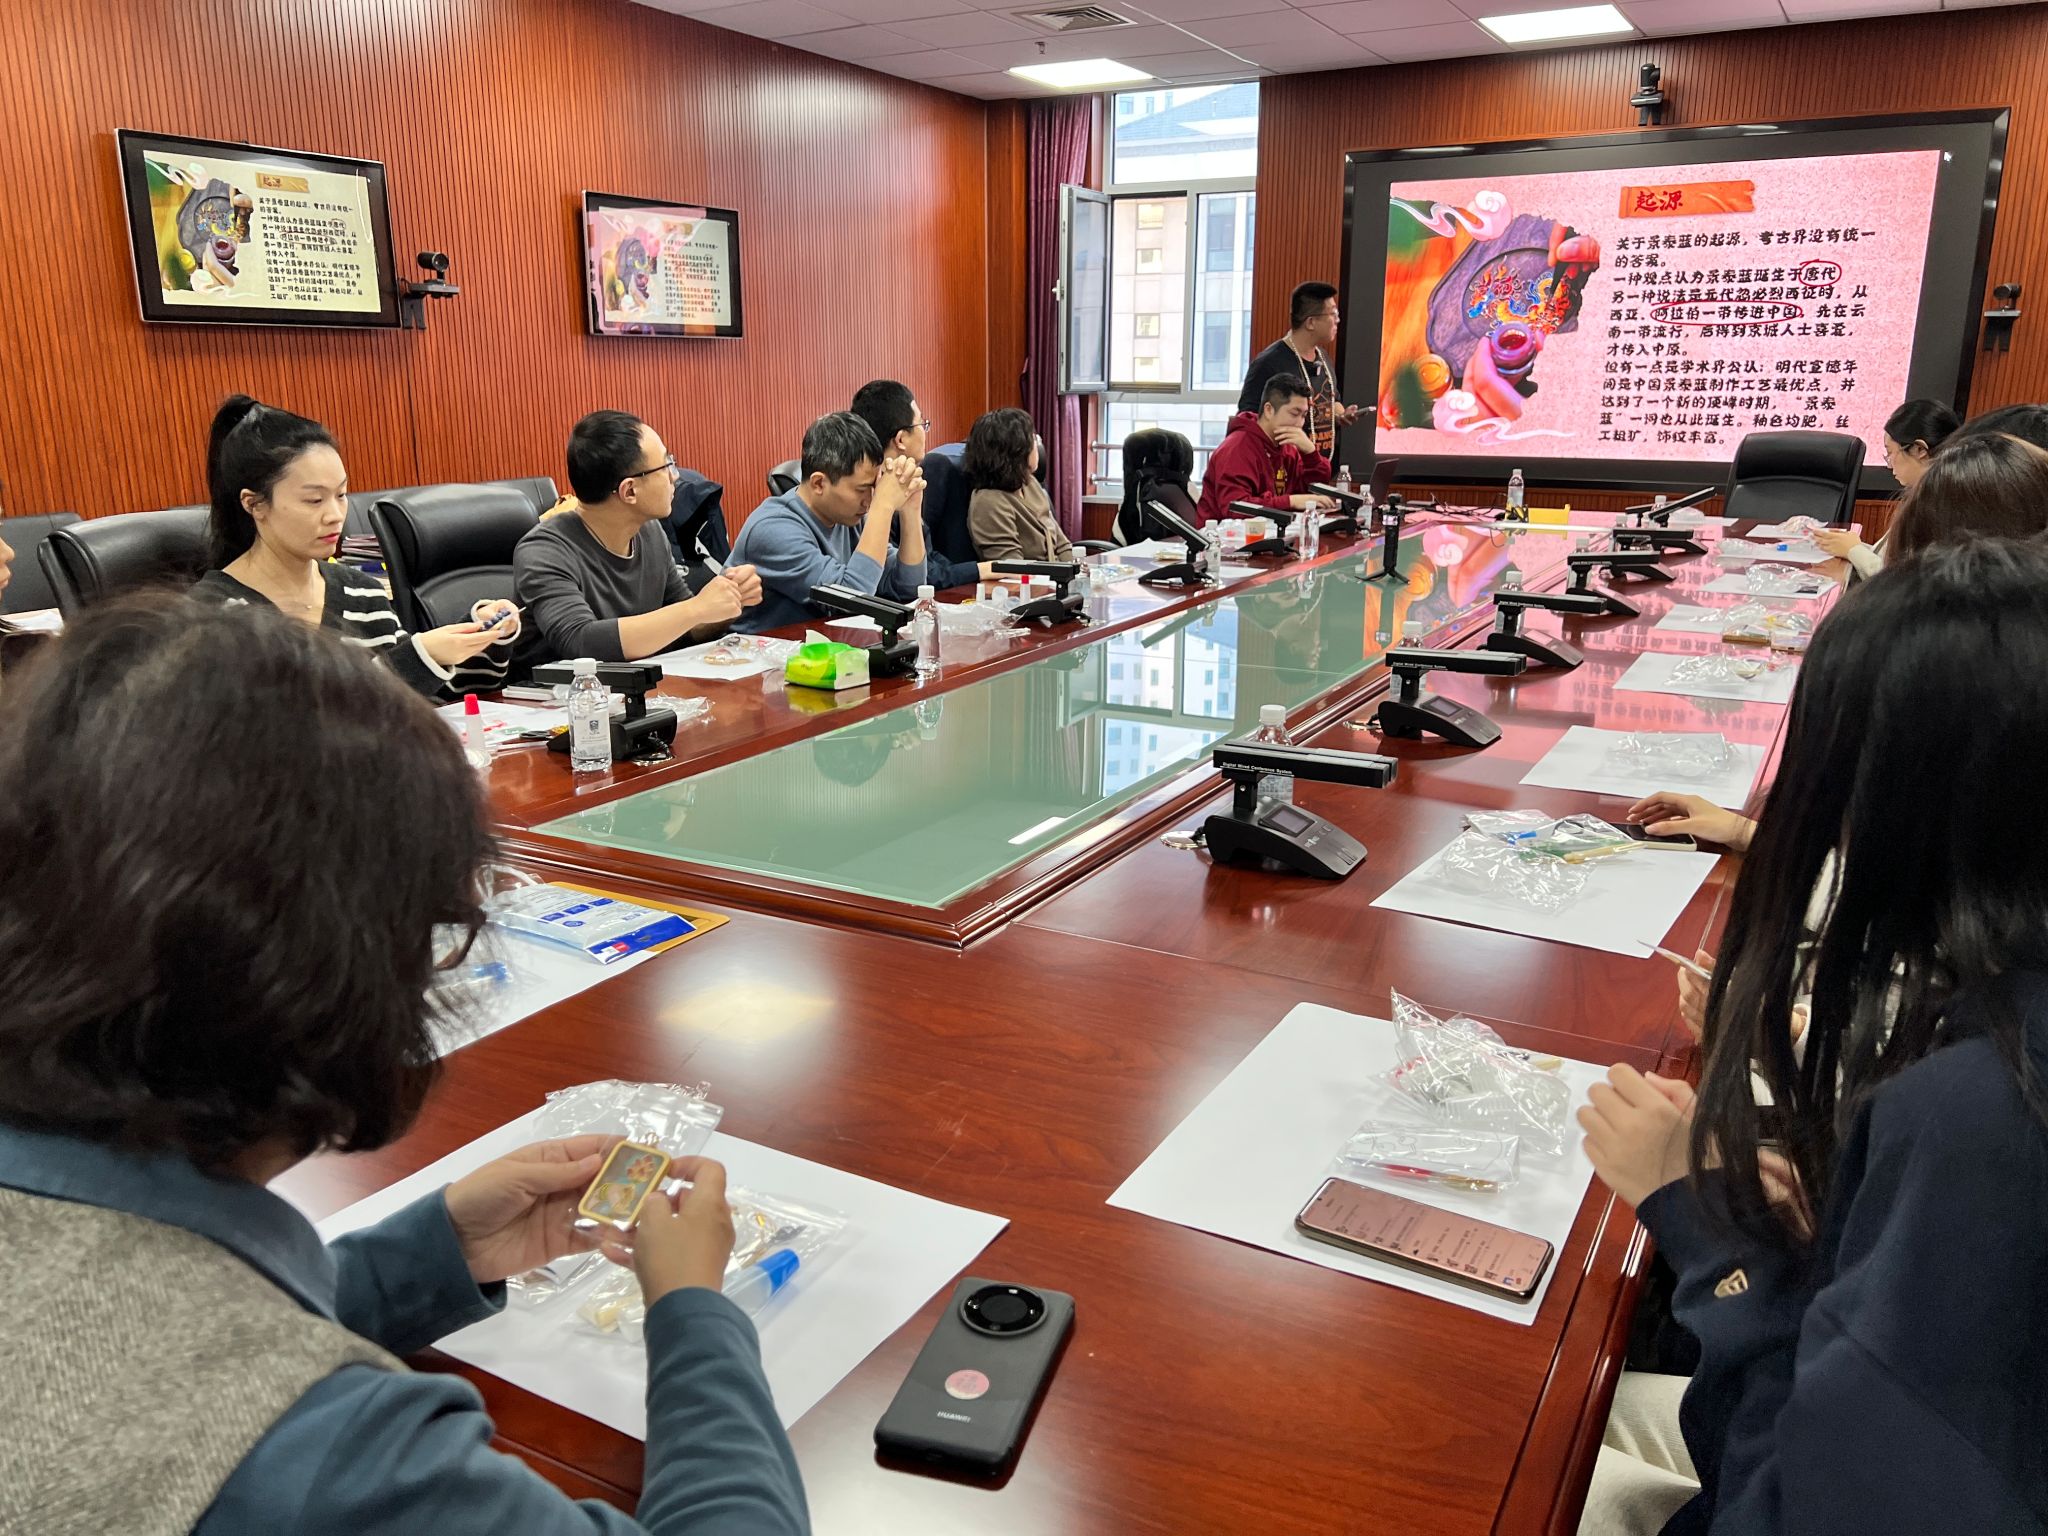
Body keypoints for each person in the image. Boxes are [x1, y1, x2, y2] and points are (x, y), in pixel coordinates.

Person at [0, 595, 809, 1536]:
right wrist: (694, 1312)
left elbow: (143, 1331)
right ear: (335, 982)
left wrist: (433, 1253)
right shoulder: (329, 1459)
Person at [1575, 538, 2048, 1535]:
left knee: (1523, 1438)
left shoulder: (1976, 1117)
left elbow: (1784, 1502)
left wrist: (1708, 1228)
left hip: (1775, 1462)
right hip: (1845, 1414)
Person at [190, 396, 518, 701]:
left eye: (341, 495)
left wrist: (480, 634)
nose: (335, 515)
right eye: (314, 500)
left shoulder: (360, 591)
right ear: (254, 504)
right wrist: (422, 656)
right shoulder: (213, 614)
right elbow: (295, 724)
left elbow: (431, 696)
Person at [514, 411, 761, 670]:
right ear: (629, 490)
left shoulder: (651, 533)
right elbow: (580, 642)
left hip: (640, 687)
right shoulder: (544, 550)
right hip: (560, 693)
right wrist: (697, 609)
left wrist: (729, 600)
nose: (675, 476)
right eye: (666, 465)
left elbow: (685, 630)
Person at [727, 412, 926, 633]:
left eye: (874, 487)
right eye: (861, 489)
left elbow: (909, 586)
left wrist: (911, 509)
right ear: (819, 483)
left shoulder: (849, 517)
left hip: (823, 647)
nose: (869, 500)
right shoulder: (772, 530)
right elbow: (852, 599)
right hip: (761, 651)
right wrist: (883, 505)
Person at [848, 379, 990, 590]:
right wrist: (983, 569)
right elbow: (919, 579)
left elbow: (926, 562)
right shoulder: (869, 501)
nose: (925, 431)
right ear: (901, 439)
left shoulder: (907, 483)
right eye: (922, 424)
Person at [1810, 399, 1959, 574]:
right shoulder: (1937, 493)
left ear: (1919, 450)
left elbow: (1903, 579)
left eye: (1890, 452)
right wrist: (1850, 547)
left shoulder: (1940, 507)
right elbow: (1892, 559)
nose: (1889, 464)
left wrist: (1853, 550)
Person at [1236, 281, 1362, 462]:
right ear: (1310, 322)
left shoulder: (1323, 358)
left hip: (1322, 468)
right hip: (1284, 470)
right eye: (1333, 314)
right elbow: (1247, 422)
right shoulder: (1269, 363)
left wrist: (1341, 414)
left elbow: (1332, 401)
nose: (1337, 320)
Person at [1196, 378, 1339, 525]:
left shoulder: (1288, 446)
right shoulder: (1236, 448)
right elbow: (1235, 508)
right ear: (1269, 410)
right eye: (1294, 414)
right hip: (1223, 535)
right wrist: (1291, 501)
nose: (1300, 424)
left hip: (1272, 531)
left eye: (1303, 416)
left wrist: (1311, 454)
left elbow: (1311, 492)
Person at [964, 408, 1072, 563]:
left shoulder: (1030, 483)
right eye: (1033, 439)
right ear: (1016, 451)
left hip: (1055, 574)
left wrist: (1076, 572)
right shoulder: (989, 502)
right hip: (1032, 577)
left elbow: (1062, 546)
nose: (1038, 445)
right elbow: (1013, 567)